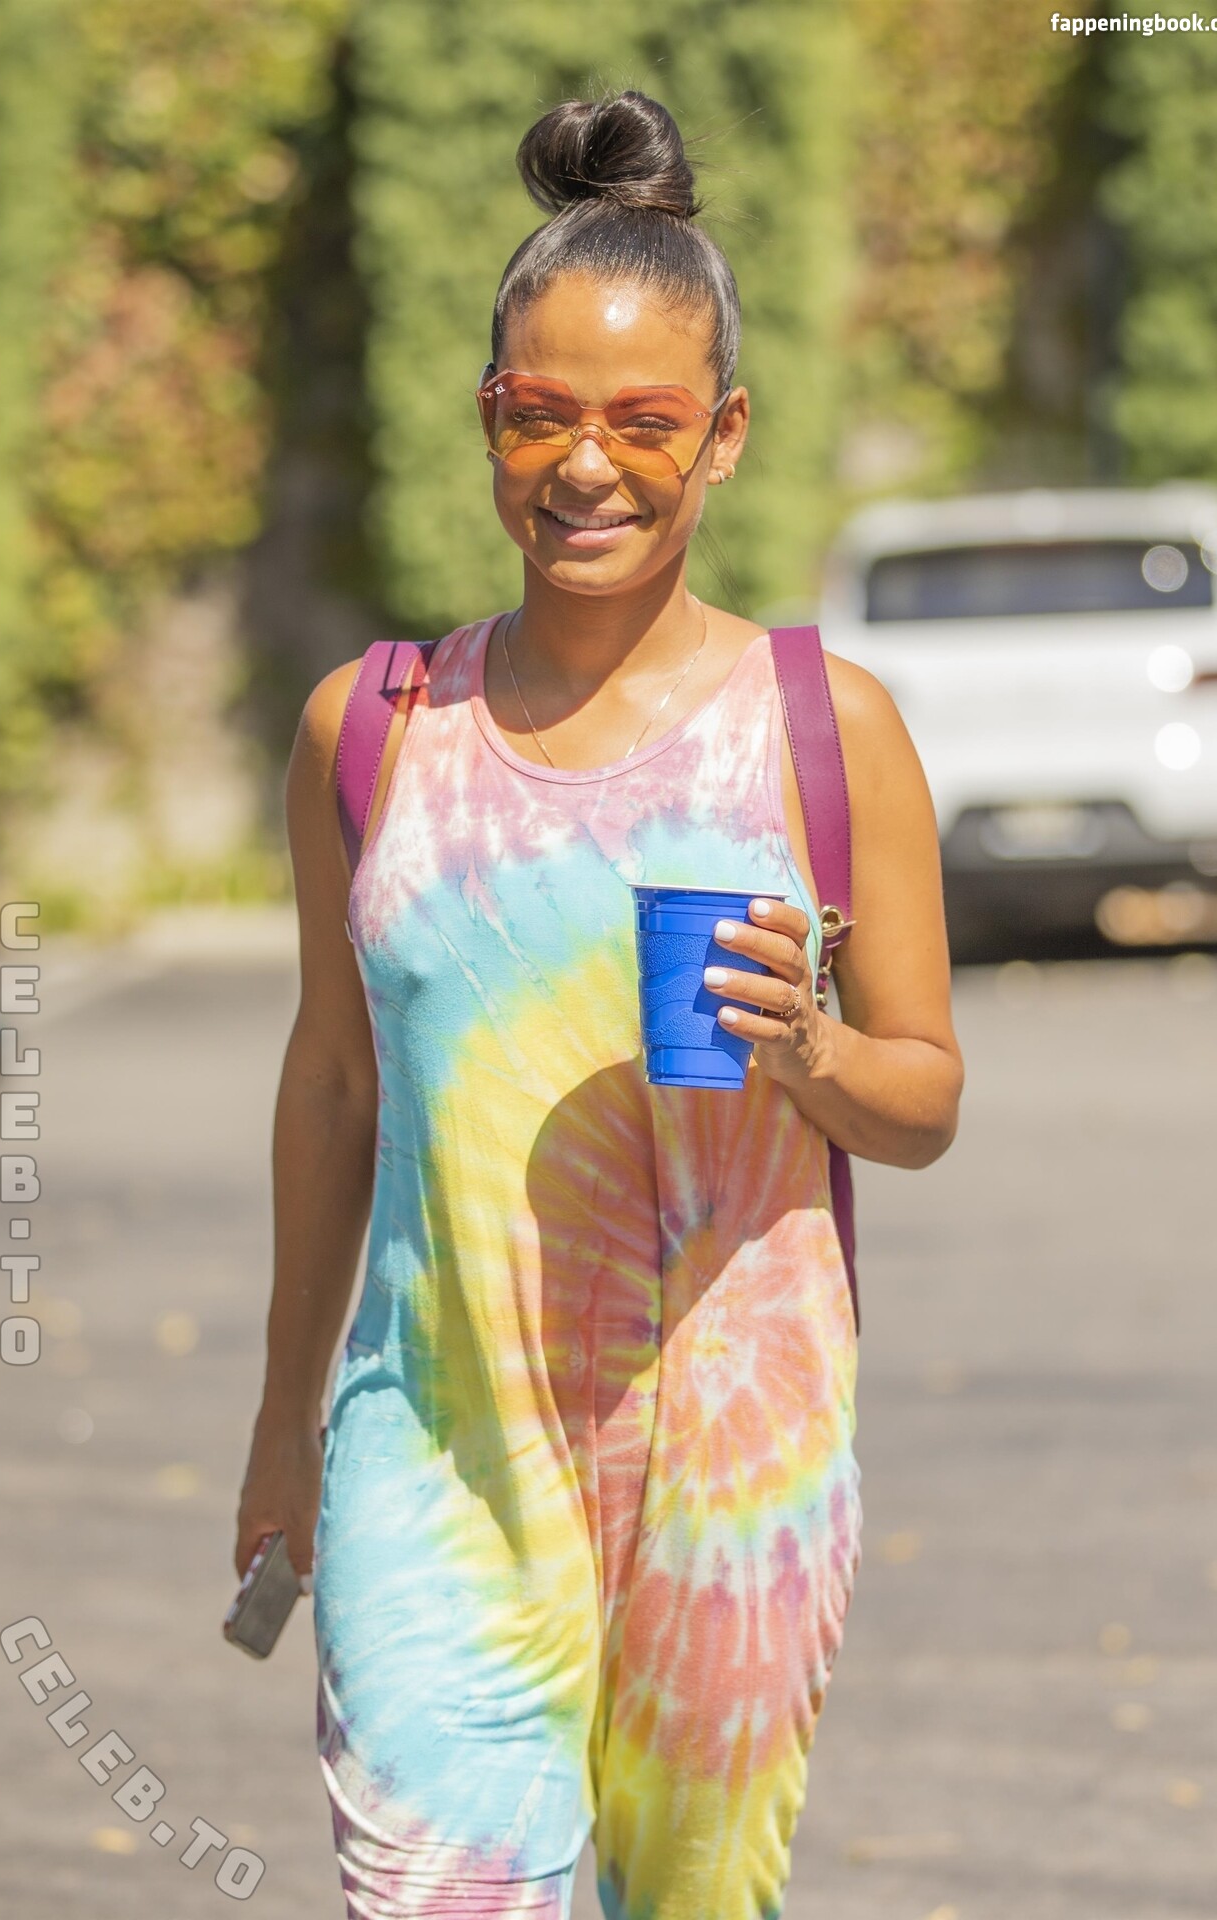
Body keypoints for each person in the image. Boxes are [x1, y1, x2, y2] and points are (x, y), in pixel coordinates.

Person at [236, 88, 963, 1920]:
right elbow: (333, 1086)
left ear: (724, 436)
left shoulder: (826, 727)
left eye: (645, 423)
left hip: (734, 1474)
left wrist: (811, 1051)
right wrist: (280, 1423)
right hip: (433, 1461)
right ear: (488, 415)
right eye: (540, 413)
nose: (587, 467)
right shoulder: (372, 731)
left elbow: (928, 1098)